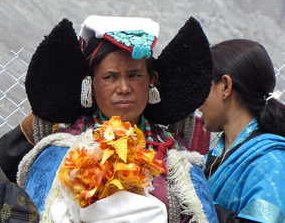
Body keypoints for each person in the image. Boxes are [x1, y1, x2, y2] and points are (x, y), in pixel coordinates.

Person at [15, 15, 217, 223]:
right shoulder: (62, 152)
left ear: (152, 81)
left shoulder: (175, 154)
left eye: (134, 75)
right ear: (89, 84)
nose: (123, 88)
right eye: (110, 77)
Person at [200, 39, 285, 222]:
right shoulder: (210, 159)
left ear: (225, 86)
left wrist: (197, 206)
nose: (198, 102)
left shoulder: (271, 163)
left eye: (203, 87)